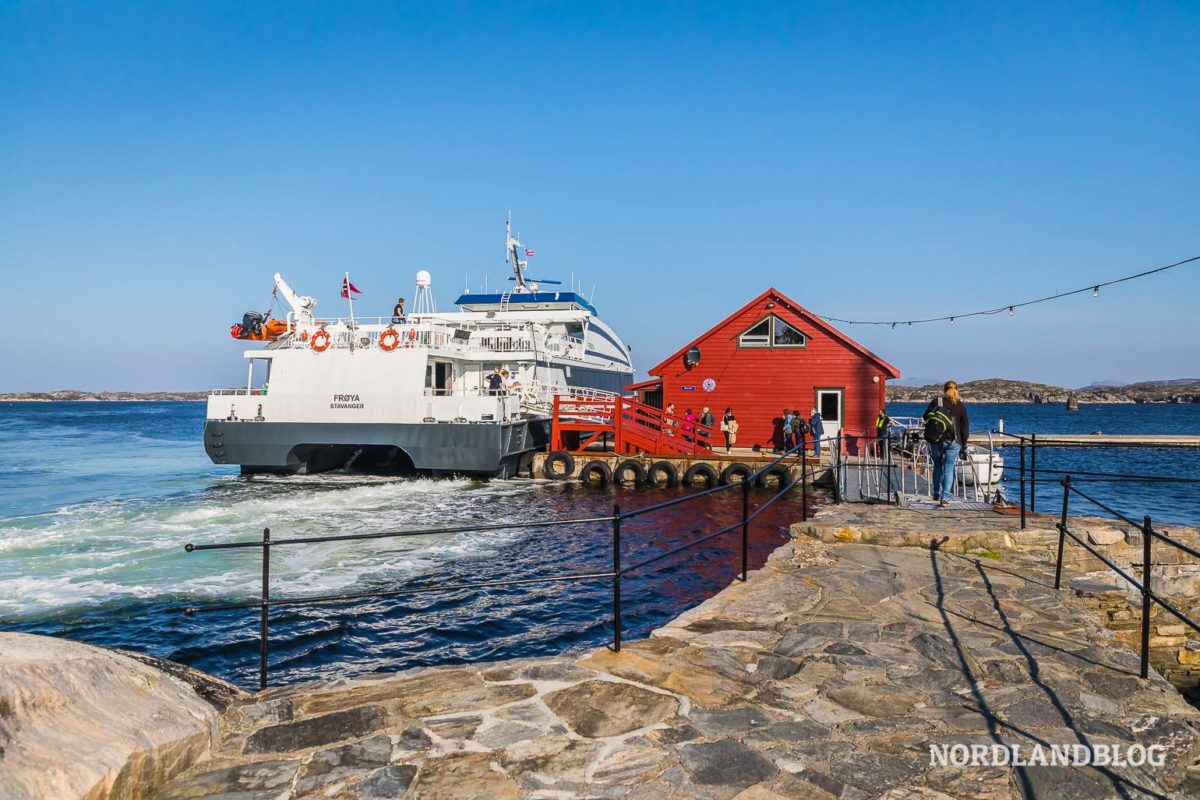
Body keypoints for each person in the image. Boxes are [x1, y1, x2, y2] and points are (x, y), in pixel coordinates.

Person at [924, 380, 969, 506]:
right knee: (949, 469)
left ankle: (936, 493)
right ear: (956, 390)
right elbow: (964, 428)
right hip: (953, 441)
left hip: (935, 438)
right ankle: (945, 498)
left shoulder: (937, 402)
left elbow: (925, 417)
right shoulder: (960, 406)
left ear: (944, 390)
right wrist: (964, 443)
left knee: (937, 466)